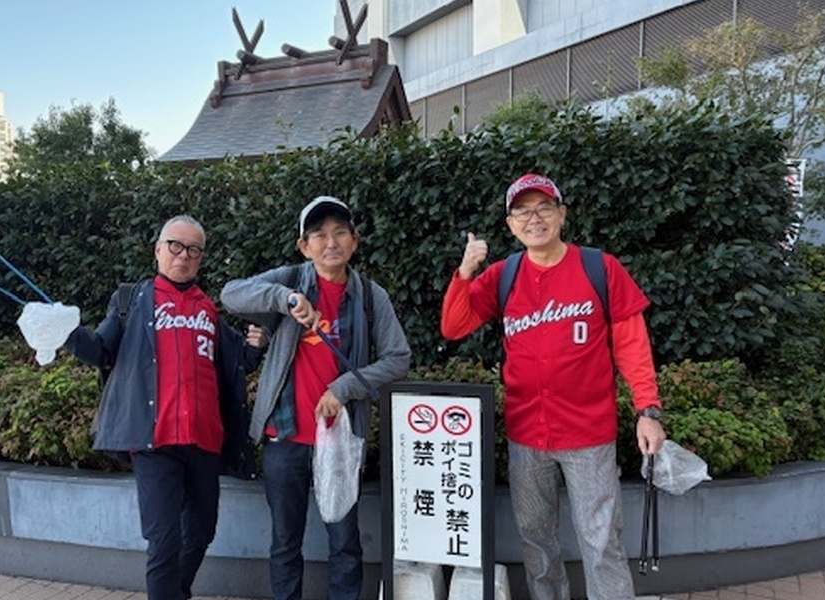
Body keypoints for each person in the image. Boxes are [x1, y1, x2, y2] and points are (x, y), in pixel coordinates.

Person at [440, 174, 667, 600]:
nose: (534, 218)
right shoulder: (503, 275)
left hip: (589, 434)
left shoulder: (600, 268)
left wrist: (648, 411)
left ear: (562, 214)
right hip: (527, 435)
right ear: (510, 224)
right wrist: (466, 271)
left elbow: (632, 345)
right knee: (537, 545)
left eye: (544, 207)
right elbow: (453, 327)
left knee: (602, 544)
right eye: (522, 211)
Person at [62, 215, 264, 600]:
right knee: (163, 539)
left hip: (205, 440)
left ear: (200, 258)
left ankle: (176, 592)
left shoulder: (209, 309)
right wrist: (64, 332)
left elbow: (239, 363)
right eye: (175, 245)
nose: (183, 256)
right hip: (154, 441)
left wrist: (257, 344)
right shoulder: (132, 300)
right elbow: (100, 350)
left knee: (202, 532)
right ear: (157, 249)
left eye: (193, 250)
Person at [221, 196, 411, 600]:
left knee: (344, 542)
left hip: (340, 441)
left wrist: (344, 389)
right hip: (285, 437)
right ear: (304, 245)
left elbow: (399, 358)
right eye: (319, 235)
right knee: (284, 542)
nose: (331, 242)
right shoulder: (290, 279)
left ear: (354, 241)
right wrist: (284, 301)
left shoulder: (370, 297)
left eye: (340, 232)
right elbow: (231, 294)